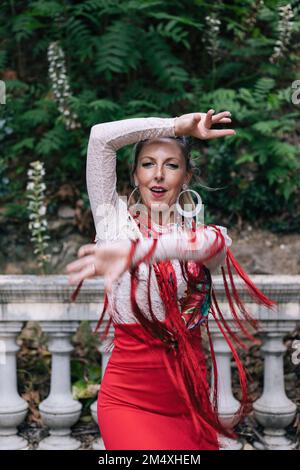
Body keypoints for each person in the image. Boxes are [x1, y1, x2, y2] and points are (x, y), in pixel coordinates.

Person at [66, 111, 276, 450]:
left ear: (187, 175)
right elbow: (100, 138)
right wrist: (175, 126)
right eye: (148, 163)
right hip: (128, 400)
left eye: (172, 165)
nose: (159, 174)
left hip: (189, 400)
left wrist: (138, 253)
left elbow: (213, 245)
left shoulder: (203, 236)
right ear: (134, 174)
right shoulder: (114, 224)